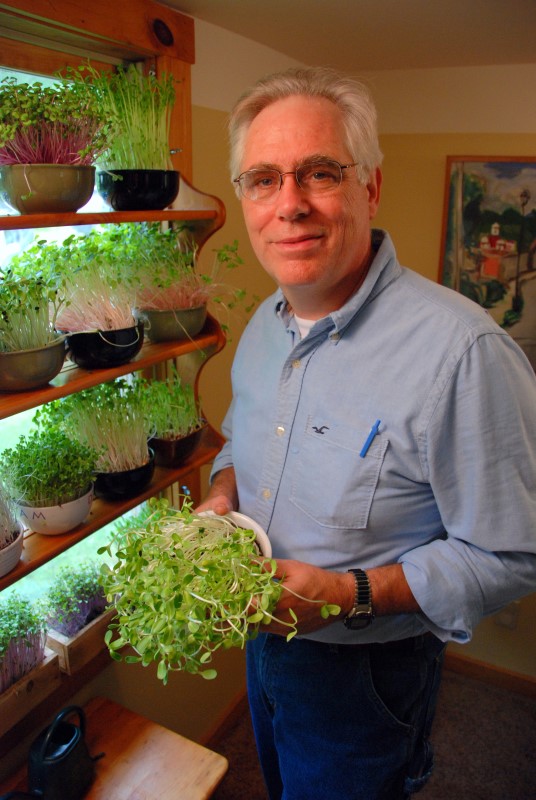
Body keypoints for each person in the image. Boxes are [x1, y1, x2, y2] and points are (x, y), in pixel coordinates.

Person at [197, 66, 536, 800]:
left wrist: (347, 594)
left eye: (318, 173)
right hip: (264, 641)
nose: (289, 205)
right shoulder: (263, 324)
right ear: (245, 199)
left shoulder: (462, 352)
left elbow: (512, 554)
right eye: (262, 179)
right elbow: (240, 444)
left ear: (369, 187)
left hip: (368, 671)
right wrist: (221, 499)